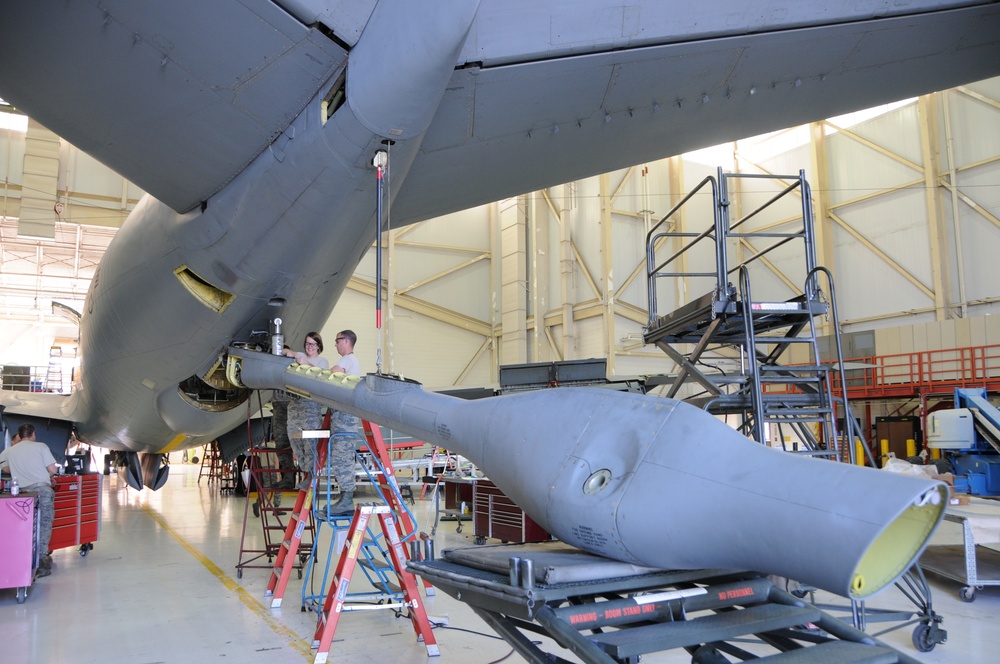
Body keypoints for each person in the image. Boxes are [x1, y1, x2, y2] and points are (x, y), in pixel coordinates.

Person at [0, 423, 58, 578]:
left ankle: (21, 559)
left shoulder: (9, 451)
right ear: (33, 434)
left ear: (19, 435)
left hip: (22, 493)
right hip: (42, 490)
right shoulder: (41, 447)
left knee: (25, 526)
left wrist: (21, 469)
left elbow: (4, 469)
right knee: (44, 524)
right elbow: (53, 470)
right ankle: (40, 563)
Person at [283, 332, 329, 488]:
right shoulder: (301, 355)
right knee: (293, 436)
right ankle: (304, 469)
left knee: (310, 440)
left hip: (310, 403)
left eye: (313, 344)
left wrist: (305, 364)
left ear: (318, 346)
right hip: (295, 402)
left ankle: (311, 474)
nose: (310, 347)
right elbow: (288, 352)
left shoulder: (322, 361)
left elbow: (322, 376)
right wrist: (284, 351)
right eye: (308, 344)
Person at [327, 330, 361, 515]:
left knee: (342, 457)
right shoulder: (351, 361)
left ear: (346, 341)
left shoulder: (347, 360)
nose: (336, 344)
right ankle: (344, 496)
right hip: (343, 416)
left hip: (345, 417)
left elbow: (330, 375)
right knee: (341, 456)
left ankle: (347, 498)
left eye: (338, 340)